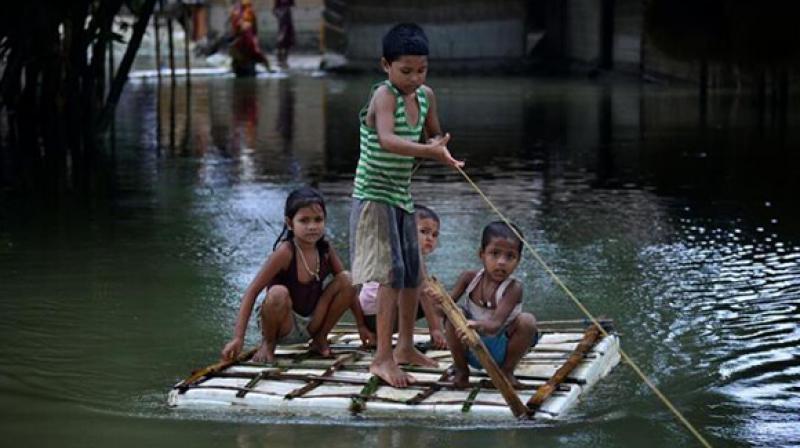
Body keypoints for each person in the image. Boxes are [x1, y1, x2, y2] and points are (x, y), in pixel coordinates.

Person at [349, 23, 464, 388]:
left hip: (401, 194)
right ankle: (381, 358)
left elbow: (433, 134)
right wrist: (428, 150)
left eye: (422, 70)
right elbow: (387, 139)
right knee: (390, 273)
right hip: (374, 195)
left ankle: (405, 348)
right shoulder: (384, 96)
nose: (415, 78)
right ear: (386, 65)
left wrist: (442, 150)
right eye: (406, 71)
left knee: (413, 271)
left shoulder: (426, 95)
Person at [221, 187, 371, 363]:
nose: (312, 226)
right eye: (304, 221)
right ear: (290, 223)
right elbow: (252, 292)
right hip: (284, 324)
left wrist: (361, 325)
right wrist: (238, 338)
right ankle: (268, 345)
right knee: (278, 292)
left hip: (313, 321)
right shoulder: (285, 252)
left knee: (349, 278)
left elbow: (348, 289)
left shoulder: (325, 250)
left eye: (318, 220)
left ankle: (320, 338)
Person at [427, 221, 538, 388]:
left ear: (518, 260)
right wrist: (439, 301)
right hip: (470, 345)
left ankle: (506, 372)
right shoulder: (469, 278)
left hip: (502, 349)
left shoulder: (514, 288)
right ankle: (462, 371)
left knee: (527, 321)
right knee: (454, 315)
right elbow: (442, 313)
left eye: (510, 256)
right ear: (482, 254)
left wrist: (474, 325)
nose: (501, 262)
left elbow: (495, 325)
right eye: (494, 254)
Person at [355, 205, 448, 349]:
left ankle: (382, 336)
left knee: (430, 291)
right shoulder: (411, 257)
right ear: (406, 232)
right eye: (424, 232)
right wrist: (436, 328)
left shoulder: (393, 252)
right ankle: (436, 335)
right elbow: (424, 294)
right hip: (377, 317)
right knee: (432, 294)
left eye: (434, 235)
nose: (430, 238)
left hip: (371, 317)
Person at [229, 0, 273, 76]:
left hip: (248, 41)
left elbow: (254, 29)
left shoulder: (249, 13)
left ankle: (267, 68)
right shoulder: (236, 13)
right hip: (241, 41)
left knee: (255, 52)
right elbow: (235, 28)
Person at [272, 0, 295, 68]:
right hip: (282, 20)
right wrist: (279, 14)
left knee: (289, 41)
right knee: (281, 40)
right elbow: (274, 10)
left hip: (288, 19)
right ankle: (279, 60)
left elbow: (292, 5)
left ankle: (285, 60)